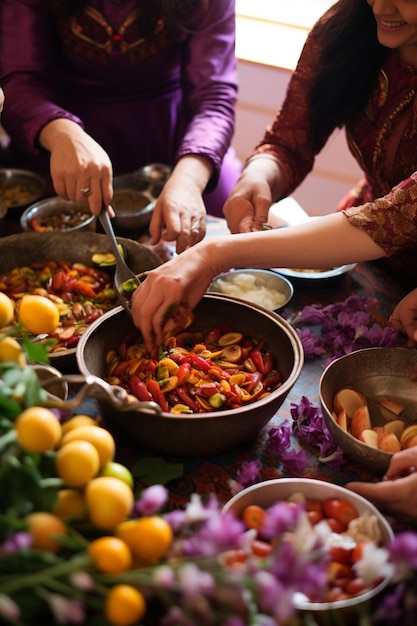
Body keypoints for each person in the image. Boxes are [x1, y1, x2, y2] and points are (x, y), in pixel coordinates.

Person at [130, 0, 417, 347]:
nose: (382, 6)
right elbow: (289, 141)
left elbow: (397, 216)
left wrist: (213, 255)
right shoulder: (347, 28)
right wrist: (260, 175)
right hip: (359, 255)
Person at [0, 0, 241, 253]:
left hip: (174, 145)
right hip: (54, 142)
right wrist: (61, 133)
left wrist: (190, 180)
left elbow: (214, 95)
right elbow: (18, 80)